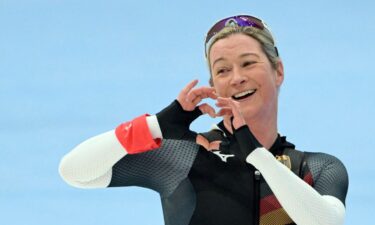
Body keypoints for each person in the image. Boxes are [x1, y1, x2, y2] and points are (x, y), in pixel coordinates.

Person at [59, 15, 348, 225]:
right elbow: (74, 171)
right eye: (222, 71)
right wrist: (154, 125)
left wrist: (257, 154)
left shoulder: (316, 168)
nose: (237, 78)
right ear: (213, 84)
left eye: (248, 63)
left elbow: (326, 223)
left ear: (278, 71)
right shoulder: (185, 156)